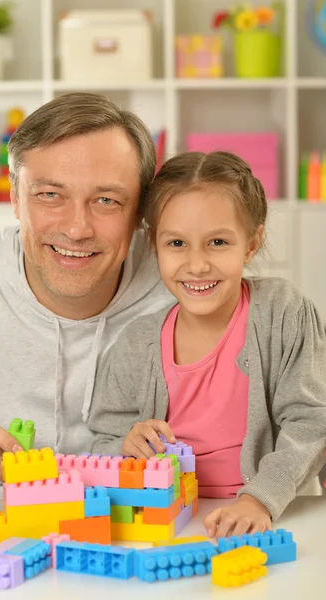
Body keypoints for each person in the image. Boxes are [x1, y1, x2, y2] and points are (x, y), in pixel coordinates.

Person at [0, 92, 173, 509]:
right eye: (49, 195)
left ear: (139, 215)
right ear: (15, 200)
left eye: (106, 200)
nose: (77, 229)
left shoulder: (185, 290)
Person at [87, 150, 326, 538]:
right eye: (177, 243)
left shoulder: (281, 311)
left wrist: (259, 500)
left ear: (251, 243)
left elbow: (312, 419)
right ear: (155, 246)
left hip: (272, 516)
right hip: (168, 523)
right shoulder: (136, 342)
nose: (197, 265)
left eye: (217, 242)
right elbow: (103, 440)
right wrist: (126, 446)